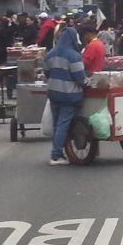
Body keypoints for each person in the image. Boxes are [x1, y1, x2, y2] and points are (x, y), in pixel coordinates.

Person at [43, 27, 87, 165]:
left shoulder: (50, 54)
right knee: (63, 124)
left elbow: (47, 74)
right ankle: (56, 155)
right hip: (69, 95)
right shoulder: (74, 55)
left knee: (57, 124)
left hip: (54, 94)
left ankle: (58, 153)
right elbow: (80, 78)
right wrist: (89, 81)